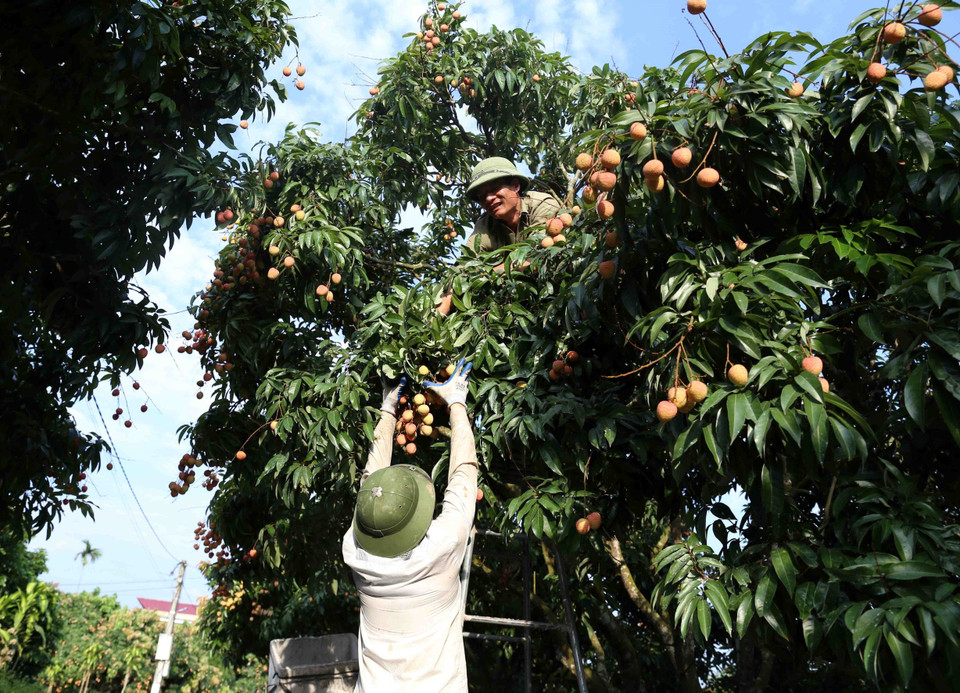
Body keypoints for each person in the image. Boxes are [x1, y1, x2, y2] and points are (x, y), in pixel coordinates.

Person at [341, 360, 478, 692]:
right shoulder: (441, 547)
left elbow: (370, 487)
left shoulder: (354, 552)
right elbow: (464, 474)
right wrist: (456, 403)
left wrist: (388, 411)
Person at [437, 157, 561, 315]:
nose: (488, 198)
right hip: (518, 306)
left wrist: (486, 275)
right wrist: (432, 325)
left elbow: (544, 255)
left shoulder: (542, 205)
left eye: (494, 188)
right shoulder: (484, 226)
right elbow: (460, 275)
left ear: (516, 186)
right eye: (482, 196)